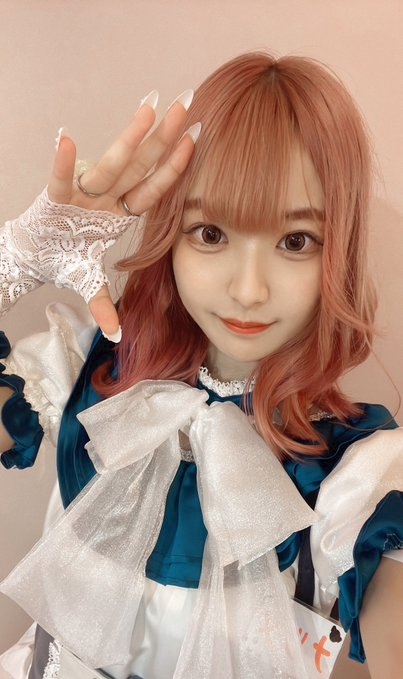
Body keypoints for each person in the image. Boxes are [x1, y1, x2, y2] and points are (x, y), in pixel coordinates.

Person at [0, 51, 402, 679]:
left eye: (295, 241)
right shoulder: (88, 369)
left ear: (338, 251)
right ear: (171, 234)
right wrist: (11, 265)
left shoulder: (353, 472)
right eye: (211, 233)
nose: (248, 290)